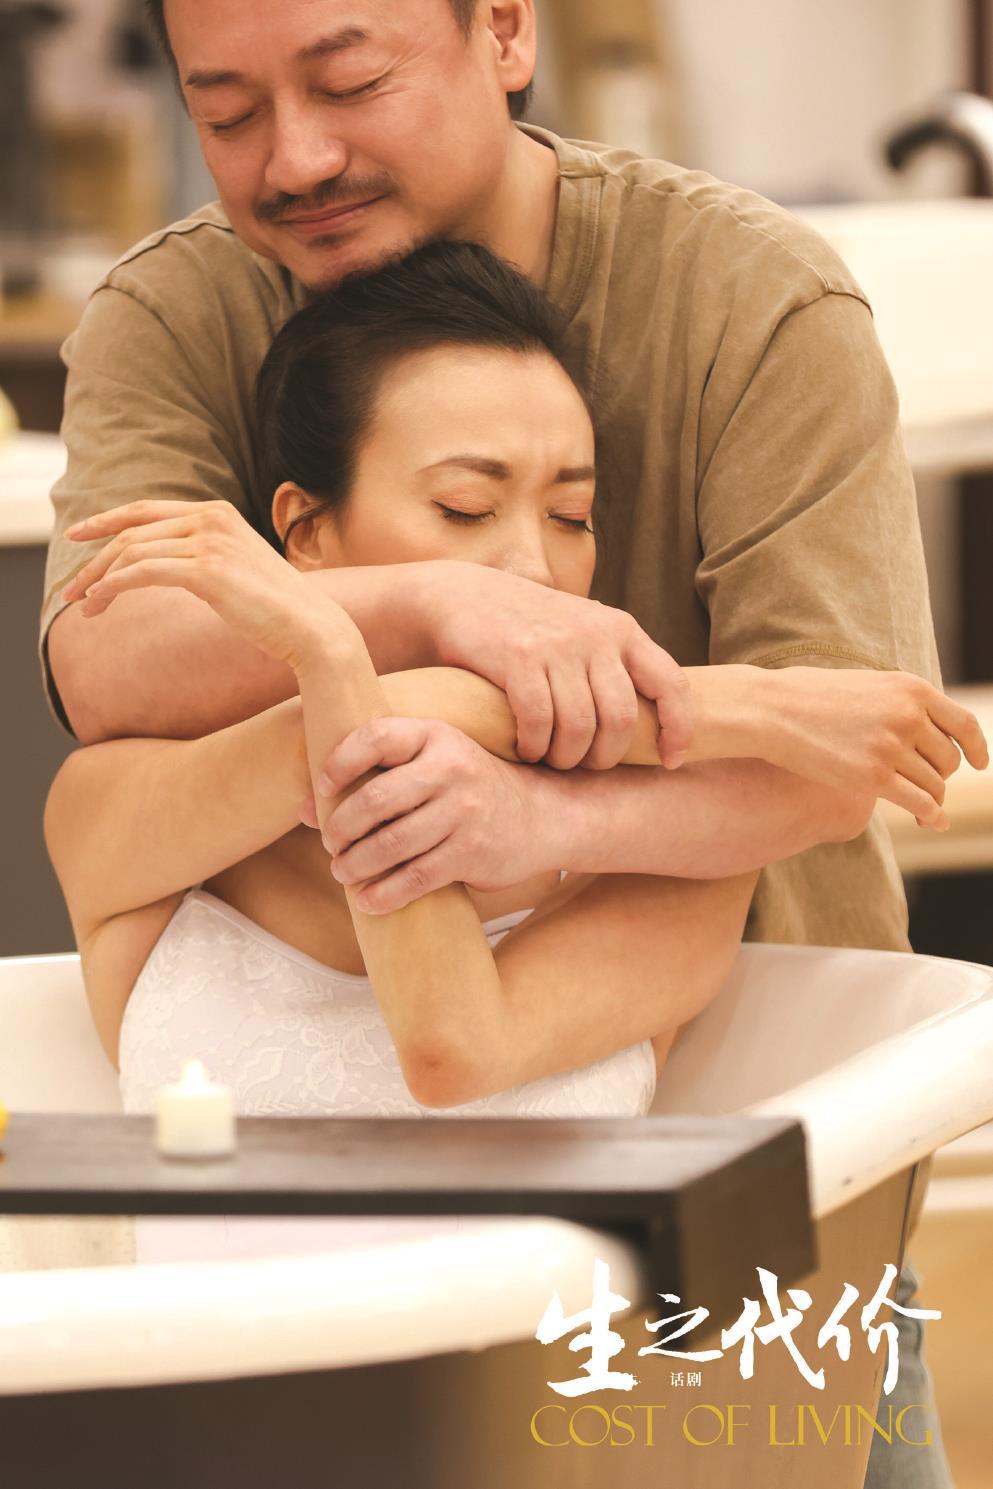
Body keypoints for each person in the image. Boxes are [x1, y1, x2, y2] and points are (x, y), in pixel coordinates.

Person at [36, 3, 970, 1481]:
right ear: (301, 528)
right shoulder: (175, 314)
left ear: (508, 31)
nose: (297, 157)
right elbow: (111, 663)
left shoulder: (750, 299)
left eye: (350, 80)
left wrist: (540, 809)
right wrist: (454, 625)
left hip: (734, 1276)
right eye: (226, 113)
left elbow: (852, 753)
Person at [44, 238, 982, 1123]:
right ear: (307, 533)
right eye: (465, 508)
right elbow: (339, 753)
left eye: (571, 516)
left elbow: (452, 1052)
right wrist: (736, 704)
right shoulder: (116, 802)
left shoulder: (678, 863)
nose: (531, 570)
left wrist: (331, 648)